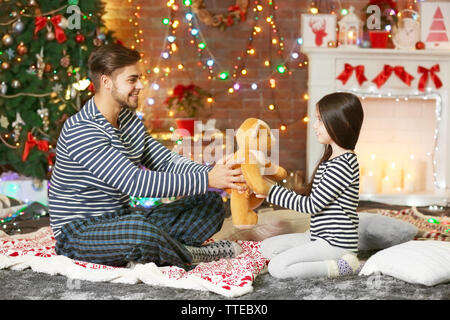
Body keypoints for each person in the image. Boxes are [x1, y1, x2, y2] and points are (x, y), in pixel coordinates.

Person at [48, 44, 246, 269]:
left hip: (121, 219)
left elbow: (166, 161)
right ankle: (189, 254)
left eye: (139, 78)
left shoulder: (129, 120)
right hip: (78, 232)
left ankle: (157, 250)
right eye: (132, 80)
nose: (140, 86)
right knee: (137, 230)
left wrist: (215, 174)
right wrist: (207, 179)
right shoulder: (82, 130)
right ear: (106, 82)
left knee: (209, 202)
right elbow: (135, 182)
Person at [259, 92, 364, 279]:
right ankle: (310, 261)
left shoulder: (343, 164)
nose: (315, 125)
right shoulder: (331, 160)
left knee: (277, 268)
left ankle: (345, 266)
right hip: (318, 237)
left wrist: (269, 191)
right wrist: (266, 186)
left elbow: (312, 205)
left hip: (335, 244)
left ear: (341, 123)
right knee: (267, 248)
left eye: (320, 120)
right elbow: (312, 196)